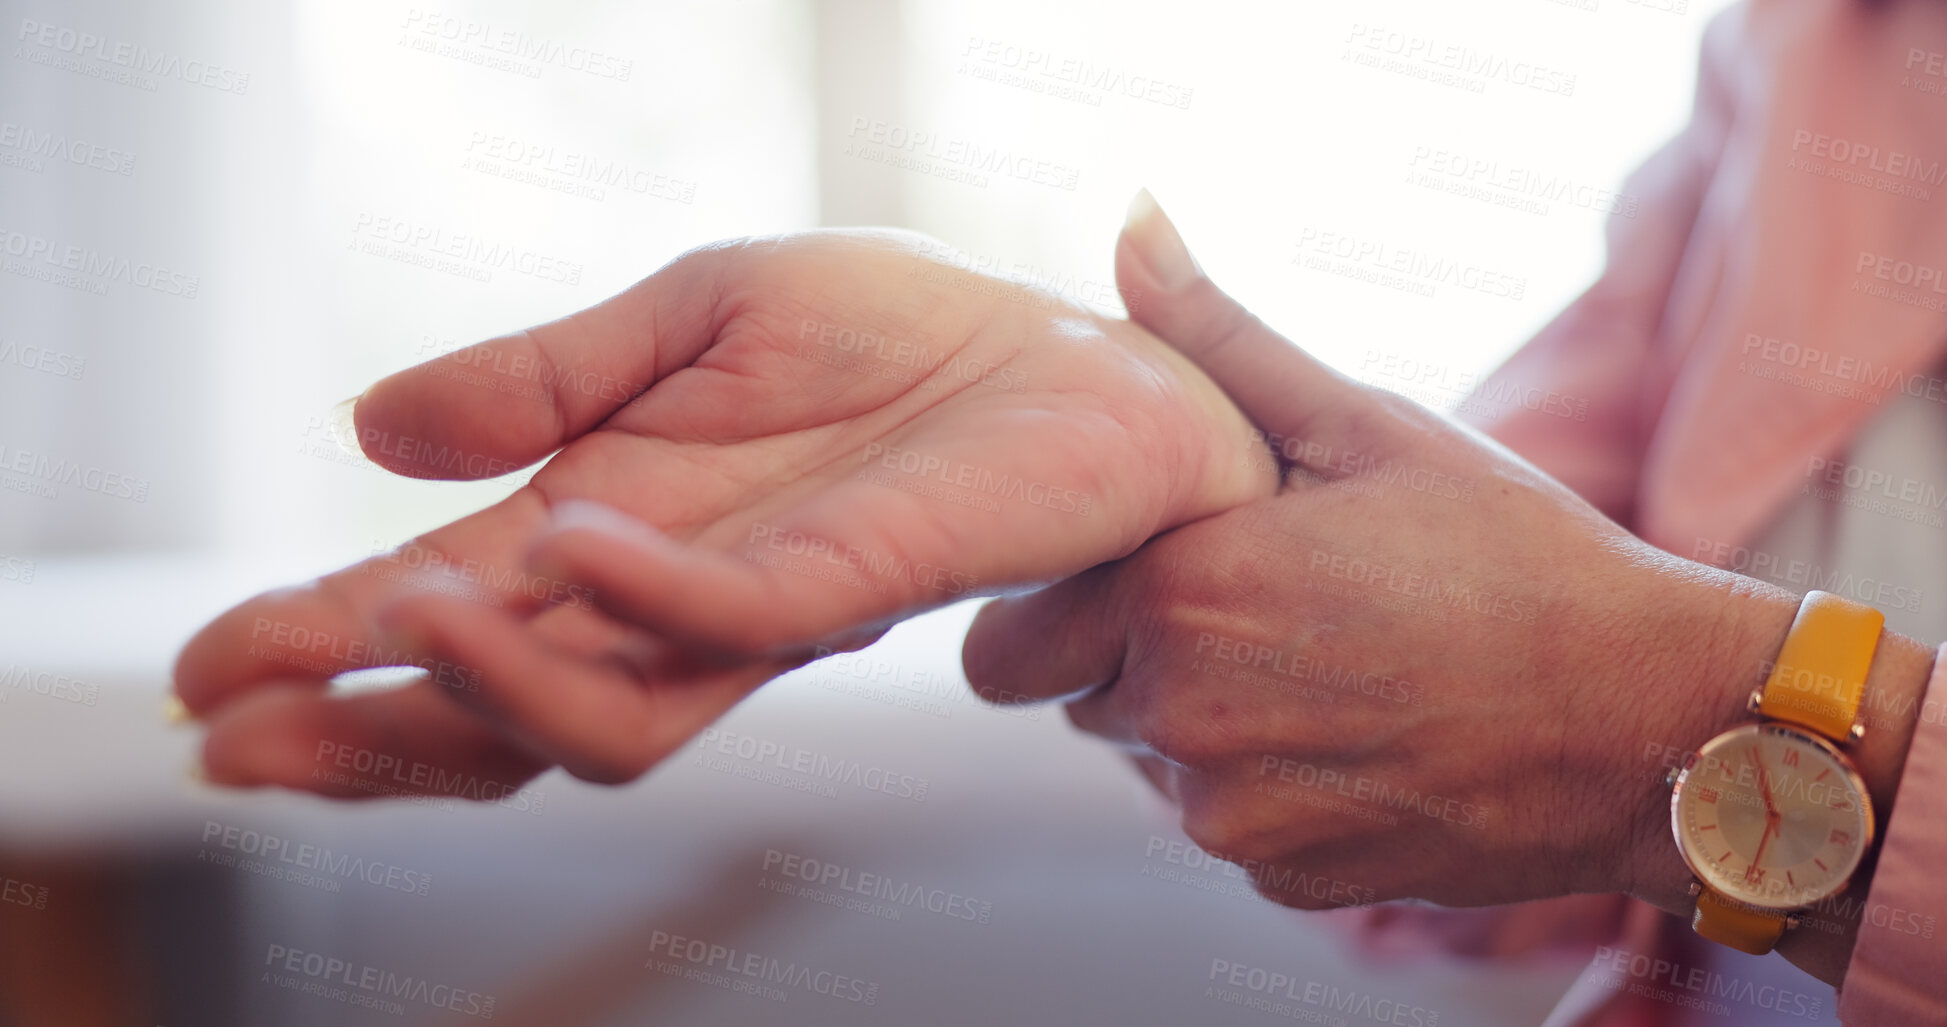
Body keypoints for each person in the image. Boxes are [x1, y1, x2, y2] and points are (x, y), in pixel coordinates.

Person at [174, 2, 1947, 1022]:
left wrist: (1663, 725)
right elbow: (1518, 644)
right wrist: (1166, 445)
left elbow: (1599, 672)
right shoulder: (1826, 50)